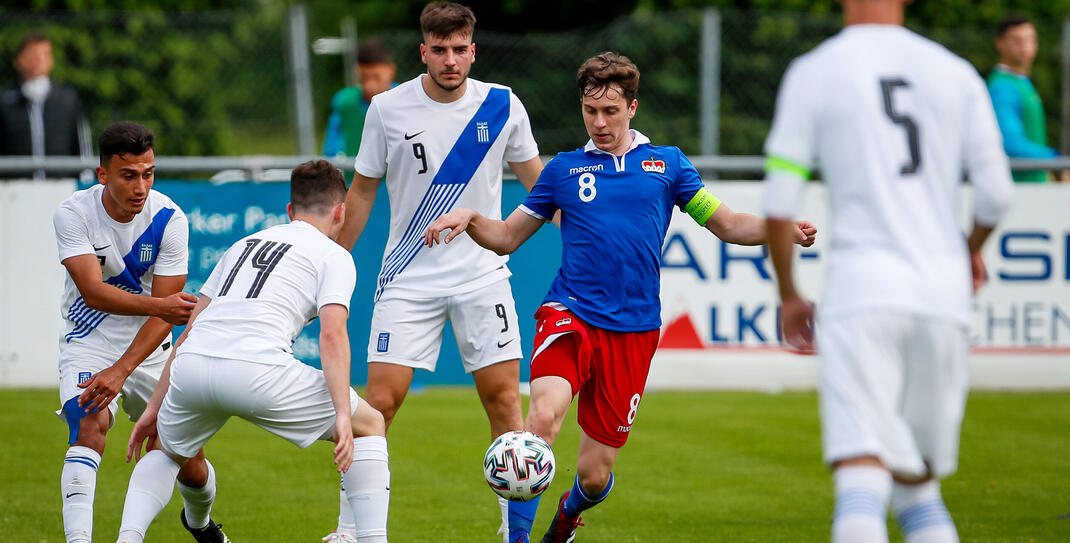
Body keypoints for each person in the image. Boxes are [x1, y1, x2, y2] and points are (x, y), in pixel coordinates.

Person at [424, 51, 816, 543]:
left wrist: (782, 229)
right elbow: (506, 237)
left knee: (593, 475)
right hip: (570, 313)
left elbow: (730, 224)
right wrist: (472, 219)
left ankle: (565, 521)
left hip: (633, 331)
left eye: (610, 111)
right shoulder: (562, 171)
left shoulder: (667, 165)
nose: (599, 122)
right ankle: (516, 539)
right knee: (540, 419)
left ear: (633, 107)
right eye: (590, 111)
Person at [761, 1, 1015, 542]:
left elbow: (780, 204)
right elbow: (996, 194)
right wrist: (968, 250)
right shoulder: (955, 72)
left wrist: (789, 293)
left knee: (860, 479)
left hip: (864, 293)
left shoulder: (816, 71)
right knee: (919, 490)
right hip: (943, 299)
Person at [333, 3, 544, 542]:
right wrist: (330, 260)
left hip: (482, 275)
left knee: (503, 403)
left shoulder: (502, 105)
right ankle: (348, 530)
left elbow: (541, 189)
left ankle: (513, 532)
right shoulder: (386, 108)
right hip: (406, 278)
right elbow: (361, 192)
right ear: (422, 51)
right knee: (377, 405)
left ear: (473, 50)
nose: (450, 60)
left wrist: (594, 232)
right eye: (439, 49)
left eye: (459, 49)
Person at [116, 160, 390, 543]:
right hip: (258, 371)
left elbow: (189, 330)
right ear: (340, 211)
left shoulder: (243, 244)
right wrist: (344, 413)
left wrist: (153, 407)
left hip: (194, 364)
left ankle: (127, 538)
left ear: (290, 211)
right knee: (371, 424)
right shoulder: (334, 255)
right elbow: (332, 335)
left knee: (165, 452)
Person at [52, 121, 223, 543]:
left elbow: (166, 316)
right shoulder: (73, 213)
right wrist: (157, 307)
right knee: (88, 422)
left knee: (189, 461)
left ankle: (200, 523)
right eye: (129, 175)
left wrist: (123, 369)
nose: (140, 186)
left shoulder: (169, 218)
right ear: (103, 174)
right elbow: (93, 292)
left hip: (151, 350)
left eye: (148, 173)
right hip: (89, 341)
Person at [0, 31, 92, 178]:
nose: (38, 60)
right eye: (32, 54)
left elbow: (82, 149)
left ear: (51, 60)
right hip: (16, 190)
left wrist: (85, 185)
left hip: (61, 187)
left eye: (44, 54)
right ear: (19, 60)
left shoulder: (67, 100)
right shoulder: (5, 103)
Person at [987, 14, 1063, 183]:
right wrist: (1055, 160)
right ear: (1000, 44)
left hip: (1032, 184)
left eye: (1030, 39)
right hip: (1019, 187)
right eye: (1016, 41)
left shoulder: (1022, 83)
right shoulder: (1002, 86)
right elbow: (1009, 143)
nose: (1025, 46)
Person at [323, 37, 398, 158]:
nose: (369, 85)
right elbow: (330, 150)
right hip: (352, 175)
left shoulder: (406, 100)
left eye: (376, 77)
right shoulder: (344, 101)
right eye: (364, 78)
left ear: (391, 70)